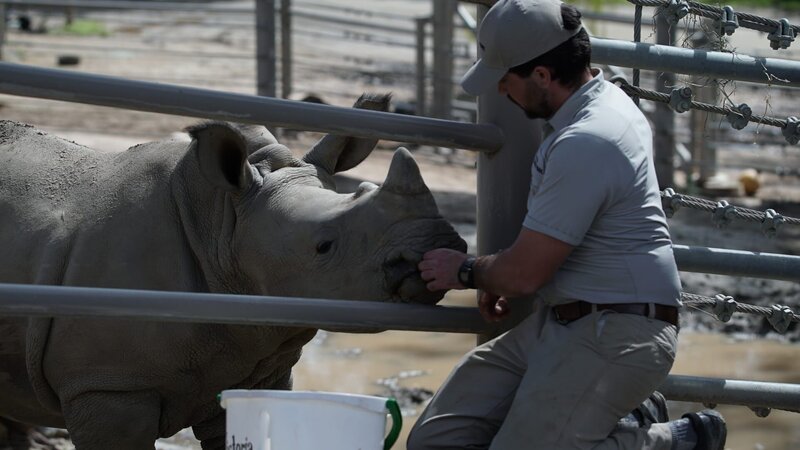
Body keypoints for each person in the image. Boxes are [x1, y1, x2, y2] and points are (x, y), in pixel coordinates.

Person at [408, 1, 727, 449]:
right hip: (565, 322)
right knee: (437, 441)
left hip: (617, 333)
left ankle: (673, 440)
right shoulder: (595, 105)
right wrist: (497, 272)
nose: (500, 90)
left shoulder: (589, 139)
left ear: (541, 75)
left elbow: (524, 274)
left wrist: (466, 270)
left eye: (505, 78)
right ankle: (618, 418)